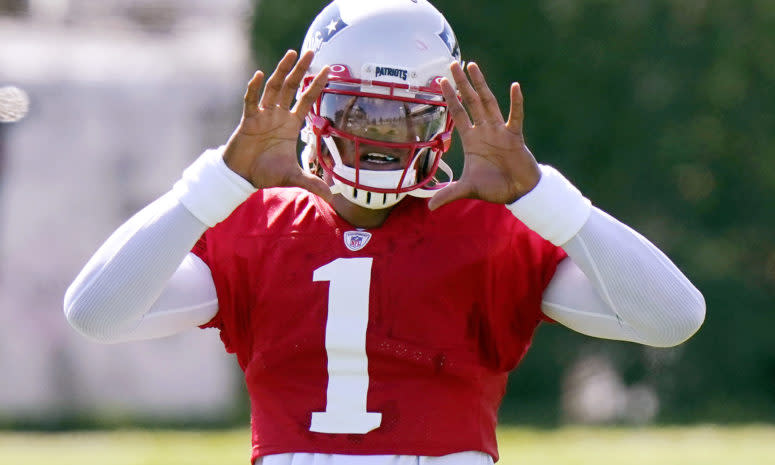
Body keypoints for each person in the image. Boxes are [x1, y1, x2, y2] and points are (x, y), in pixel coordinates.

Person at [64, 1, 705, 464]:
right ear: (310, 112)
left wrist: (546, 195)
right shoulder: (255, 226)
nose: (377, 138)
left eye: (402, 119)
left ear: (443, 122)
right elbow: (96, 312)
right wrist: (218, 180)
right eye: (357, 112)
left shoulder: (491, 231)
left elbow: (672, 319)